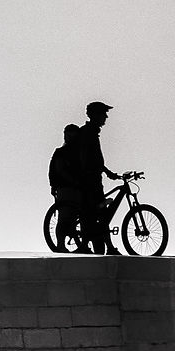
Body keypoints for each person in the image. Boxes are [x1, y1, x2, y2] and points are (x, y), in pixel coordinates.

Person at [76, 100, 114, 254]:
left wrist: (106, 171)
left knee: (99, 213)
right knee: (93, 212)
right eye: (103, 113)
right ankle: (87, 244)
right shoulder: (87, 133)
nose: (105, 116)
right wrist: (90, 173)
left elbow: (96, 160)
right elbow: (86, 158)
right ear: (94, 115)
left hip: (95, 179)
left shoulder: (92, 132)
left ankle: (105, 246)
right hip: (89, 180)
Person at [49, 124, 83, 250]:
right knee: (64, 218)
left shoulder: (76, 151)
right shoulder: (62, 152)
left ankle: (65, 245)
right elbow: (59, 170)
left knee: (72, 217)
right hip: (66, 188)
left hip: (74, 188)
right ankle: (61, 245)